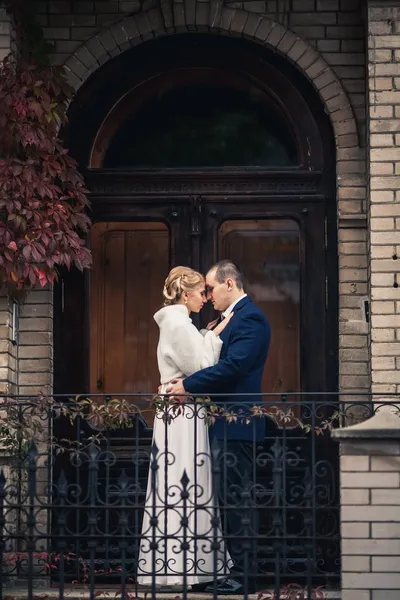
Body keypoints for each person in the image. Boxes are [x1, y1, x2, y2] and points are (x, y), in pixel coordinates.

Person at [167, 260, 271, 594]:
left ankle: (244, 576)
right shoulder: (226, 320)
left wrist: (188, 386)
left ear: (229, 284)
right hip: (221, 424)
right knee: (226, 500)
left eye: (211, 288)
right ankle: (227, 570)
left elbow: (234, 366)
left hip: (237, 424)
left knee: (238, 500)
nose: (207, 295)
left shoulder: (250, 317)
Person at [137, 266, 233, 591]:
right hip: (182, 411)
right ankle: (181, 570)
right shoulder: (179, 323)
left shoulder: (181, 323)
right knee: (183, 483)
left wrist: (205, 334)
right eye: (201, 293)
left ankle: (183, 566)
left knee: (180, 483)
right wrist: (216, 336)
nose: (205, 298)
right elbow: (203, 368)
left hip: (180, 409)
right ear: (185, 293)